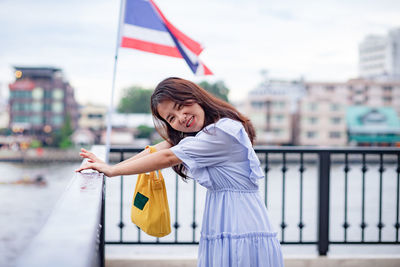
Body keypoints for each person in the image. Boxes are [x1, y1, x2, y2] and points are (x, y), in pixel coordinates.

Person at [76, 77, 284, 267]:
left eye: (180, 107)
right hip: (226, 221)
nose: (181, 118)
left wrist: (112, 171)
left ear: (194, 97)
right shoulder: (207, 132)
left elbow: (168, 157)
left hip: (241, 225)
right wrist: (110, 165)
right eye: (171, 118)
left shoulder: (222, 132)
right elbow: (159, 149)